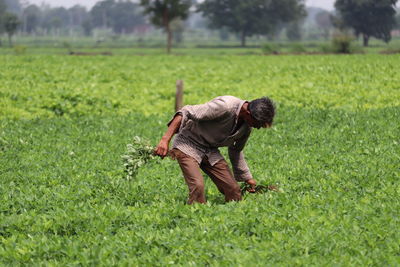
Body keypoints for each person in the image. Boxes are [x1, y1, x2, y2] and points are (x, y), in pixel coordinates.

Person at [154, 95, 275, 204]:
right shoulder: (225, 106)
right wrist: (165, 140)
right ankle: (195, 218)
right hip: (188, 144)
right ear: (248, 113)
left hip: (209, 150)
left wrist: (247, 178)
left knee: (233, 190)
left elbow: (236, 150)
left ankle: (233, 217)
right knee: (198, 186)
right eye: (258, 124)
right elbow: (186, 111)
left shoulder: (246, 127)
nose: (257, 127)